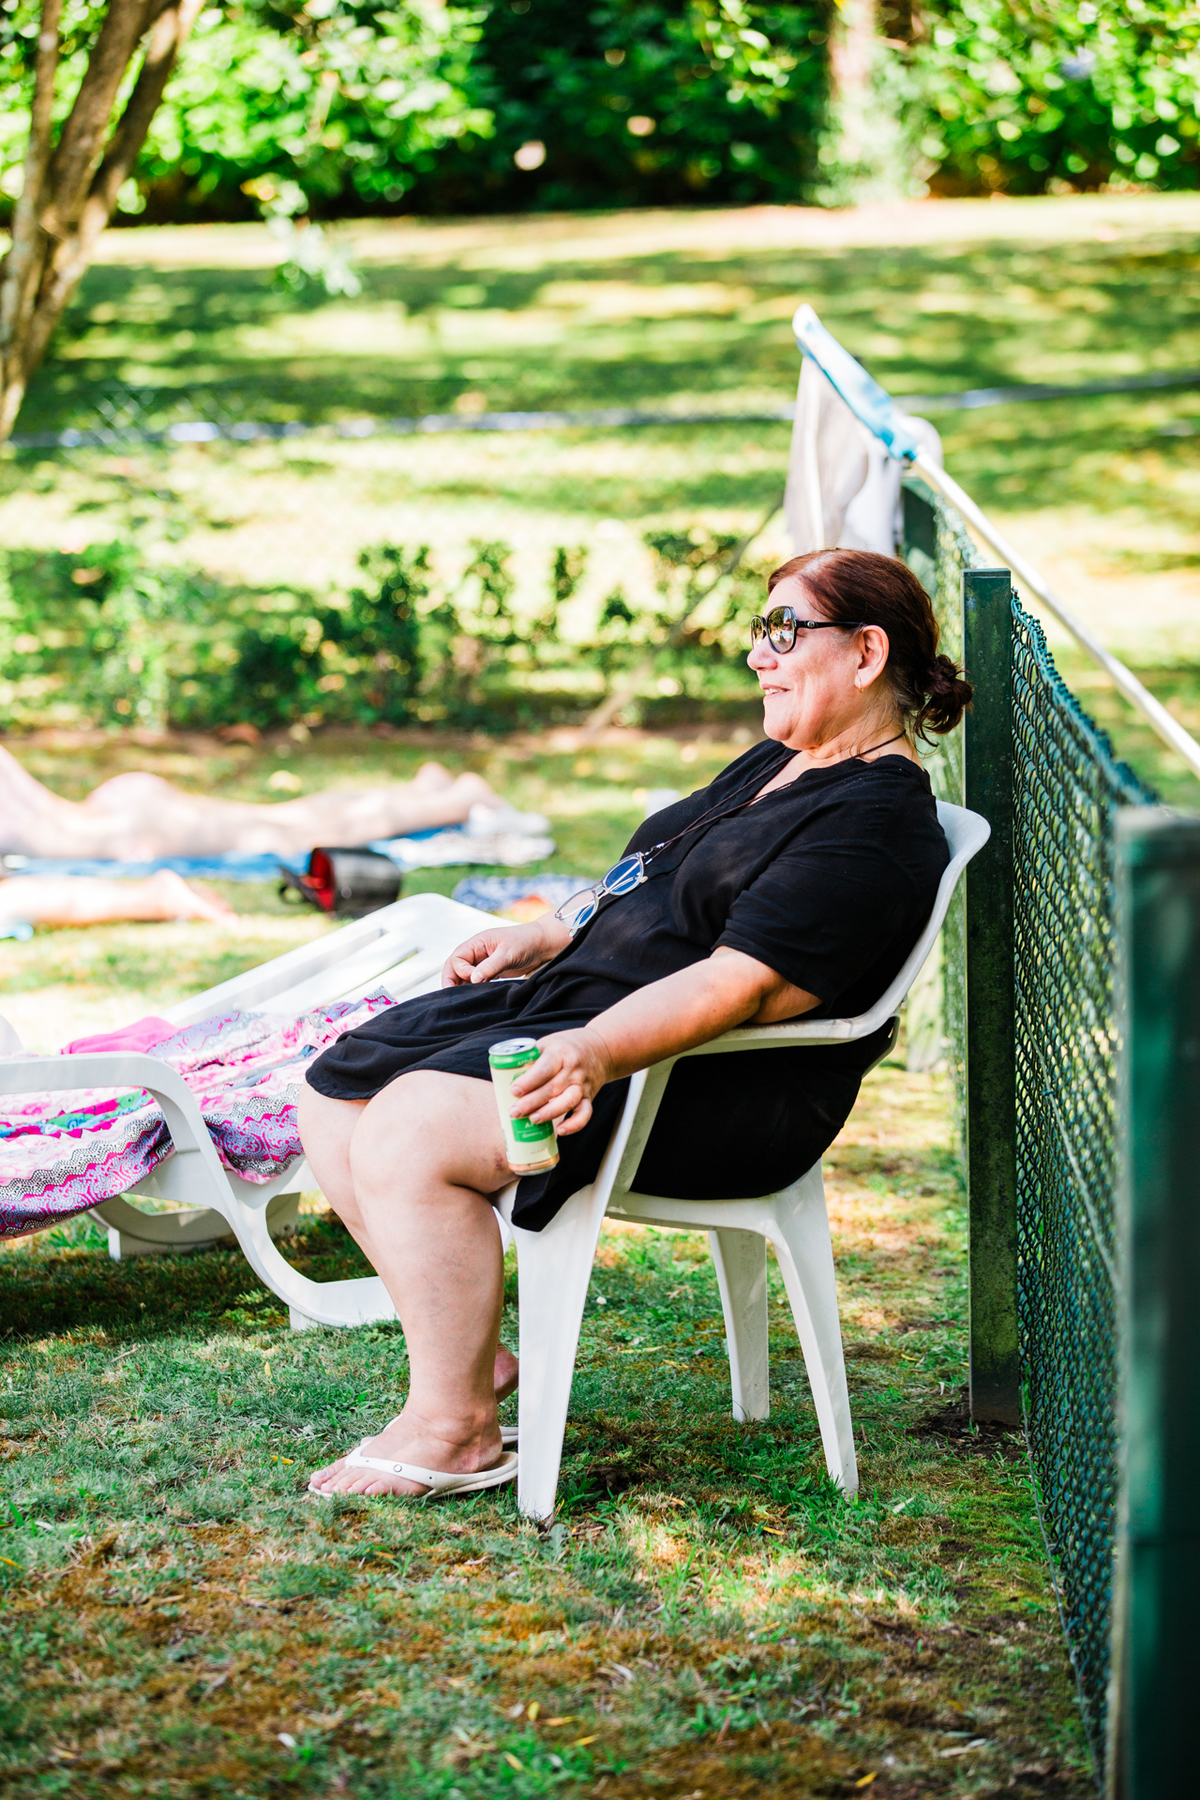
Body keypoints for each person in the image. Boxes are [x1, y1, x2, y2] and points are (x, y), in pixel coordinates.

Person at [297, 549, 973, 1500]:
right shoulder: (784, 762)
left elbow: (737, 990)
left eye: (785, 631)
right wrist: (548, 930)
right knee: (339, 1089)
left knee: (409, 1128)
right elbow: (648, 870)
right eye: (759, 632)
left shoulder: (871, 824)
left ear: (867, 653)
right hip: (593, 1008)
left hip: (702, 1086)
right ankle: (476, 1364)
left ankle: (455, 1433)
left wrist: (592, 1052)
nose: (758, 656)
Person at [0, 748, 507, 861]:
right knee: (289, 814)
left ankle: (458, 799)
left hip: (131, 828)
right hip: (116, 809)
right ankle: (426, 791)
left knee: (292, 829)